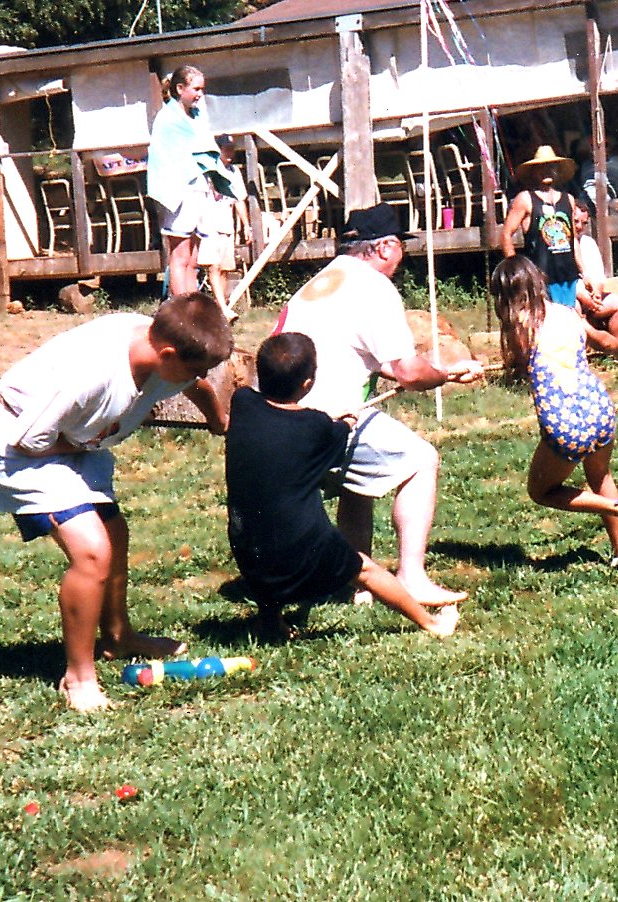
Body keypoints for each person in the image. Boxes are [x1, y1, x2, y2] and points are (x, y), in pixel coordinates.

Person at [0, 293, 234, 712]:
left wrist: (217, 418)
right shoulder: (91, 374)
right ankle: (78, 678)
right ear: (166, 353)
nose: (200, 375)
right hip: (20, 440)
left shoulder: (165, 349)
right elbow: (30, 440)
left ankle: (118, 636)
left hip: (72, 437)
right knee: (92, 552)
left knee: (114, 532)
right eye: (194, 365)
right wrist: (94, 439)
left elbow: (197, 384)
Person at [274, 204, 483, 607]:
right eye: (400, 246)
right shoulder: (374, 287)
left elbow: (382, 362)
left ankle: (356, 580)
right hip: (328, 419)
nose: (401, 256)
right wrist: (439, 375)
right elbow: (407, 372)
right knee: (422, 460)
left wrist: (447, 370)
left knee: (361, 484)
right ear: (385, 247)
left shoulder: (327, 279)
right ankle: (412, 578)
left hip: (282, 422)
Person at [224, 333, 459, 638]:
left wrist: (328, 423)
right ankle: (432, 623)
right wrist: (347, 422)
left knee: (269, 536)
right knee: (365, 570)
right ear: (307, 384)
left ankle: (271, 623)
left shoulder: (242, 403)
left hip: (248, 553)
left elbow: (294, 425)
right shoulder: (314, 428)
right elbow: (334, 439)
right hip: (303, 553)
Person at [490, 254, 618, 567]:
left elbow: (514, 367)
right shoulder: (567, 314)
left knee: (541, 491)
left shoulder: (519, 327)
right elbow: (605, 343)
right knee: (600, 476)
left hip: (564, 421)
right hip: (598, 407)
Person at [146, 66, 220, 298]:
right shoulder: (167, 118)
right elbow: (166, 156)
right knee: (179, 255)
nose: (200, 94)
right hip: (180, 191)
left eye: (202, 89)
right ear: (180, 88)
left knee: (193, 257)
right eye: (196, 89)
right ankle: (179, 311)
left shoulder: (197, 116)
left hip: (199, 189)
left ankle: (193, 309)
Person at [501, 145, 582, 306]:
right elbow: (506, 235)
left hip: (568, 276)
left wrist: (583, 272)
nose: (547, 171)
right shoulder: (525, 199)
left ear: (557, 170)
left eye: (550, 166)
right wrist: (516, 269)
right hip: (540, 278)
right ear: (533, 172)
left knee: (569, 318)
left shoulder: (569, 200)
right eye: (541, 167)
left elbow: (573, 240)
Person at [198, 136, 249, 318]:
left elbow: (239, 199)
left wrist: (246, 225)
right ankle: (222, 308)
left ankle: (221, 307)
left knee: (225, 269)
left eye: (231, 149)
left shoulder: (234, 172)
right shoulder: (208, 171)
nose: (230, 153)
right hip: (208, 223)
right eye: (226, 149)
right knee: (214, 266)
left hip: (227, 224)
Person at [572, 202, 618, 342]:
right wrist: (584, 298)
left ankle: (617, 345)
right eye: (575, 221)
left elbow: (598, 276)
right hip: (572, 298)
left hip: (591, 298)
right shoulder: (560, 245)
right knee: (575, 307)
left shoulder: (588, 243)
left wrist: (597, 294)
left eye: (584, 223)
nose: (579, 226)